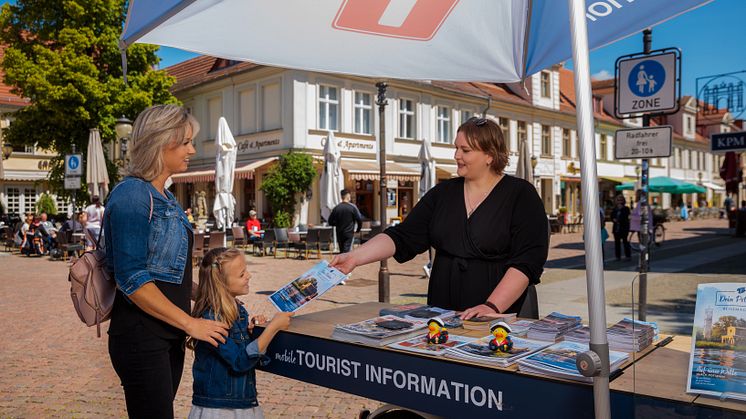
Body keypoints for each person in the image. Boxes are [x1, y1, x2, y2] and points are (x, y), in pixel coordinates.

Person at [331, 117, 548, 319]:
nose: (456, 156)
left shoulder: (521, 194)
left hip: (498, 314)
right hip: (443, 310)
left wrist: (491, 306)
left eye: (465, 150)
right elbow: (402, 237)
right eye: (456, 148)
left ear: (489, 155)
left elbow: (527, 261)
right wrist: (355, 257)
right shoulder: (443, 193)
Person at [103, 104, 229, 418]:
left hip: (167, 332)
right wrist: (191, 324)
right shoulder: (132, 195)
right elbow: (132, 279)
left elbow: (167, 271)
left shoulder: (167, 197)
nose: (192, 149)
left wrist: (207, 293)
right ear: (162, 143)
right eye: (185, 141)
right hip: (141, 335)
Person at [188, 247, 293, 418]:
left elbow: (244, 352)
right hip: (222, 409)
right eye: (242, 274)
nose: (249, 276)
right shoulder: (212, 320)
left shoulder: (238, 311)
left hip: (241, 401)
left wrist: (252, 333)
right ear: (221, 283)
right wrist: (273, 328)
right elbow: (240, 361)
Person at [328, 189, 363, 255]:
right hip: (349, 233)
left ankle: (341, 263)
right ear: (348, 196)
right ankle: (344, 264)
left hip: (339, 233)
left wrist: (337, 224)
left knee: (342, 251)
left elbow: (330, 221)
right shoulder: (352, 208)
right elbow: (359, 220)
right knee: (347, 251)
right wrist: (358, 229)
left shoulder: (336, 208)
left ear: (341, 197)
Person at [611, 194, 631, 260]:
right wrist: (613, 219)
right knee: (617, 243)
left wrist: (618, 219)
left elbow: (625, 217)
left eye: (621, 200)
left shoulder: (626, 208)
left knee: (625, 242)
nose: (619, 201)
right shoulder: (615, 209)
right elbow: (612, 216)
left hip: (624, 228)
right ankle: (617, 256)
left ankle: (628, 256)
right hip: (616, 228)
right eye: (618, 200)